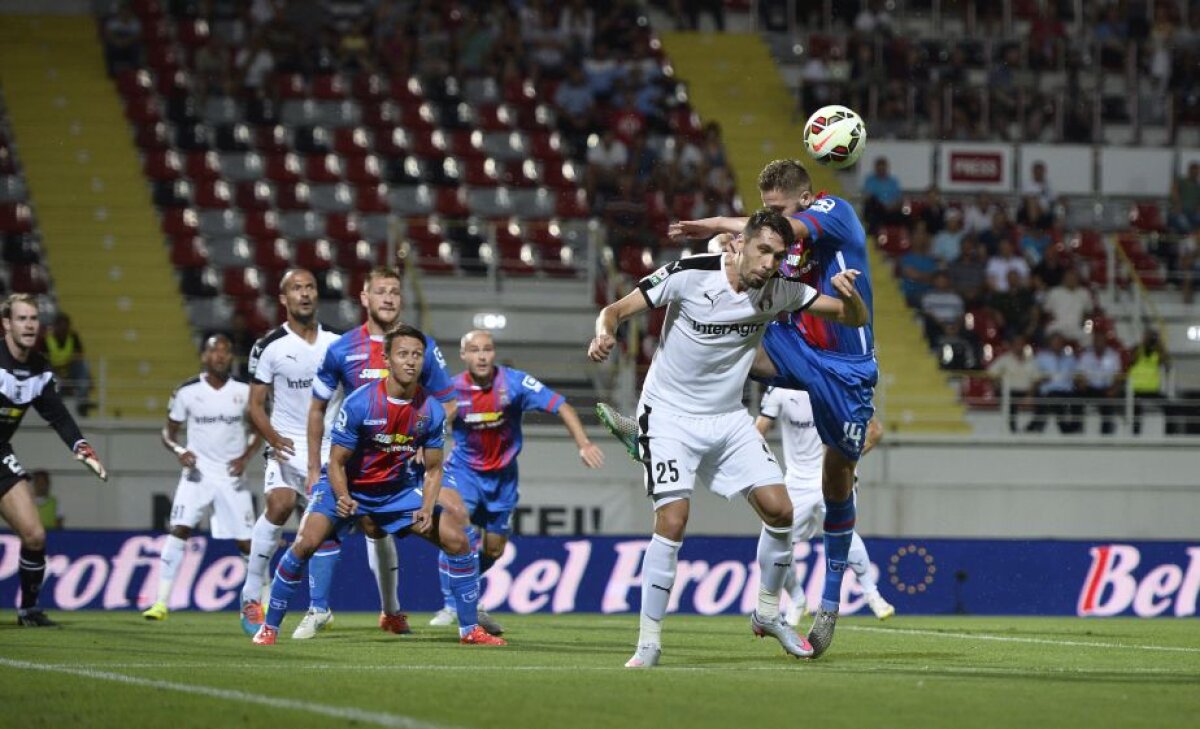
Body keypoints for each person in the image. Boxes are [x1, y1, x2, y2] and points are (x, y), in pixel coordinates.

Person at [589, 208, 869, 668]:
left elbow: (849, 317)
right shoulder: (688, 273)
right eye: (762, 250)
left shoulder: (779, 289)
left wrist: (852, 298)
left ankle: (768, 613)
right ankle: (648, 642)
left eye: (778, 256)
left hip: (727, 419)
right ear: (739, 245)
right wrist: (604, 334)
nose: (769, 263)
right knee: (674, 520)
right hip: (670, 416)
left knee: (782, 511)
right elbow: (616, 310)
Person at [252, 325, 505, 647]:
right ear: (387, 359)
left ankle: (469, 630)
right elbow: (337, 462)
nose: (411, 361)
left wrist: (427, 508)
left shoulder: (430, 410)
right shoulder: (360, 403)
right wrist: (343, 497)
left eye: (417, 354)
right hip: (346, 486)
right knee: (304, 543)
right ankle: (270, 627)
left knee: (458, 541)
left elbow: (433, 468)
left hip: (395, 492)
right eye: (403, 354)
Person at [301, 266, 459, 640]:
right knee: (327, 526)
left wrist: (424, 440)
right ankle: (317, 608)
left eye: (395, 292)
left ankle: (396, 611)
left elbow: (449, 403)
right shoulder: (341, 348)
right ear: (365, 298)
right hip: (346, 458)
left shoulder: (423, 348)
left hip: (397, 462)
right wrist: (312, 466)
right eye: (381, 291)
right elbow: (317, 409)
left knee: (384, 528)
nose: (389, 298)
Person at [429, 330, 605, 630]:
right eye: (474, 350)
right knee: (458, 528)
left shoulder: (514, 383)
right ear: (463, 355)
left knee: (494, 550)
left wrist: (584, 444)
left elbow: (561, 405)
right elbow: (427, 422)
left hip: (503, 480)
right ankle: (454, 602)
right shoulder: (452, 390)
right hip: (463, 473)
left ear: (494, 352)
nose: (481, 356)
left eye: (487, 349)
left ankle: (463, 586)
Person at [238, 269, 340, 635]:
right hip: (286, 444)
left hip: (329, 450)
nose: (305, 293)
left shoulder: (336, 343)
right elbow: (255, 405)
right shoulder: (269, 346)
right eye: (296, 288)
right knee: (279, 506)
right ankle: (251, 596)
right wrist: (273, 437)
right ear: (284, 298)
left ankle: (323, 608)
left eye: (310, 286)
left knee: (333, 527)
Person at [0, 293, 106, 626]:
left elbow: (58, 416)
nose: (30, 325)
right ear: (6, 324)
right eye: (22, 319)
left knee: (34, 535)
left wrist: (82, 448)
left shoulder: (39, 369)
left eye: (33, 319)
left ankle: (29, 610)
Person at [142, 334, 261, 621]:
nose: (220, 356)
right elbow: (167, 432)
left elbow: (260, 428)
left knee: (247, 543)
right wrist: (180, 450)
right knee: (179, 529)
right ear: (204, 356)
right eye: (214, 350)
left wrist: (245, 457)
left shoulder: (244, 391)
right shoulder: (186, 391)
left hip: (231, 476)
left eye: (226, 350)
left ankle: (261, 601)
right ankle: (160, 603)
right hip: (197, 475)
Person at [754, 388, 893, 624]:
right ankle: (798, 599)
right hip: (796, 482)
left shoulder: (835, 382)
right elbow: (757, 433)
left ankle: (872, 595)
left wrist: (848, 460)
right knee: (774, 546)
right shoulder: (778, 390)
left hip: (831, 474)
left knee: (844, 533)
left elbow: (874, 430)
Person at [40, 312, 93, 416]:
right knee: (51, 376)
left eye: (66, 326)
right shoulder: (47, 339)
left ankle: (82, 402)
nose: (63, 329)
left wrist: (67, 365)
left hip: (70, 369)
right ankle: (56, 408)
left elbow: (79, 355)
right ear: (55, 326)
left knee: (84, 365)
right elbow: (44, 360)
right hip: (54, 370)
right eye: (60, 326)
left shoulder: (73, 337)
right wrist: (58, 370)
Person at [1075, 330, 1124, 436]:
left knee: (1108, 404)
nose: (1098, 343)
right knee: (1077, 397)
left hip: (1107, 389)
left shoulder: (1113, 355)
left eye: (1101, 340)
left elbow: (1118, 376)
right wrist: (1081, 383)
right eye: (1096, 340)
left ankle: (1105, 435)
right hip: (1090, 388)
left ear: (1105, 341)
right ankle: (1077, 429)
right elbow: (1079, 374)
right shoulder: (1086, 355)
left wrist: (1115, 388)